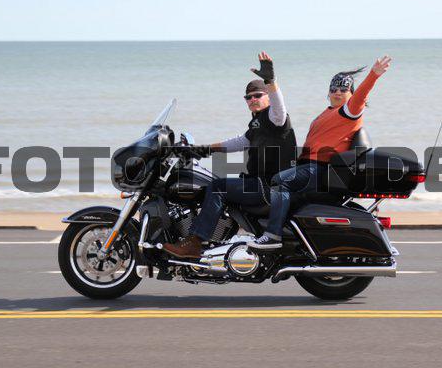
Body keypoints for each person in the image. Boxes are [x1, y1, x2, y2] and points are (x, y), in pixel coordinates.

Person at [248, 56, 392, 249]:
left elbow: (362, 95)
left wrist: (374, 74)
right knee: (281, 191)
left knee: (281, 181)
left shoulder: (349, 112)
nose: (337, 92)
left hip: (322, 169)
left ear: (351, 93)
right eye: (333, 89)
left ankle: (273, 235)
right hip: (310, 167)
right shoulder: (325, 114)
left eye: (343, 89)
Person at [163, 52, 297, 258]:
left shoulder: (276, 119)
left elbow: (280, 107)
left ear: (267, 97)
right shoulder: (258, 123)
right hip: (260, 182)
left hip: (269, 186)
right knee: (213, 181)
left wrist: (271, 81)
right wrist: (203, 149)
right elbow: (239, 142)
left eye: (257, 95)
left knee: (218, 187)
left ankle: (196, 242)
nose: (252, 99)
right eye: (248, 97)